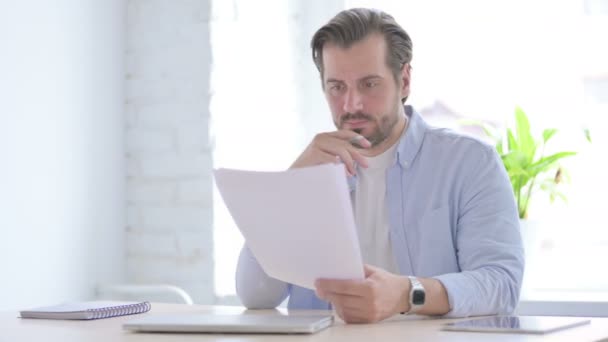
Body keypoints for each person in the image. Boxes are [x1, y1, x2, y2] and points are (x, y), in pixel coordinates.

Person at [235, 7, 524, 323]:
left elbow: (501, 283)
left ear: (405, 80)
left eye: (369, 84)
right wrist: (291, 187)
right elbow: (256, 294)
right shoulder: (312, 170)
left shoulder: (469, 162)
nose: (352, 104)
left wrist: (406, 294)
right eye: (337, 87)